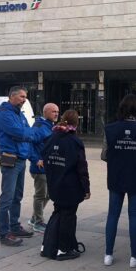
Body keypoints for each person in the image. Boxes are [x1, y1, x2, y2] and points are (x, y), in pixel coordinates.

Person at [101, 94, 136, 268]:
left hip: (116, 176)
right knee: (134, 215)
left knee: (113, 214)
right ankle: (134, 257)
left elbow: (104, 155)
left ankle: (108, 255)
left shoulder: (109, 129)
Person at [0, 86, 48, 247]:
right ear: (12, 96)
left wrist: (28, 134)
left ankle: (15, 226)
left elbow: (27, 133)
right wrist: (28, 133)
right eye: (22, 97)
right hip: (10, 160)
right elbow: (20, 133)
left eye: (25, 97)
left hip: (21, 159)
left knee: (17, 197)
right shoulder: (3, 114)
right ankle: (3, 233)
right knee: (7, 198)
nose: (24, 100)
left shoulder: (20, 114)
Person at [42, 110, 90, 261]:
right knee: (68, 216)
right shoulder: (75, 142)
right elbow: (82, 168)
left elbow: (45, 158)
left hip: (54, 184)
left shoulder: (51, 138)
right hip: (70, 187)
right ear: (76, 123)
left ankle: (47, 246)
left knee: (57, 213)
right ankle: (63, 249)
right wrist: (86, 188)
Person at [27, 103, 58, 233]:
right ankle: (38, 222)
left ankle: (34, 218)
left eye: (57, 111)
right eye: (53, 112)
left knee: (49, 194)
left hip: (48, 167)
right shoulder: (39, 127)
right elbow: (29, 143)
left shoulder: (50, 126)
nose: (56, 114)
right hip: (40, 168)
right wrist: (36, 159)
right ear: (45, 112)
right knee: (40, 195)